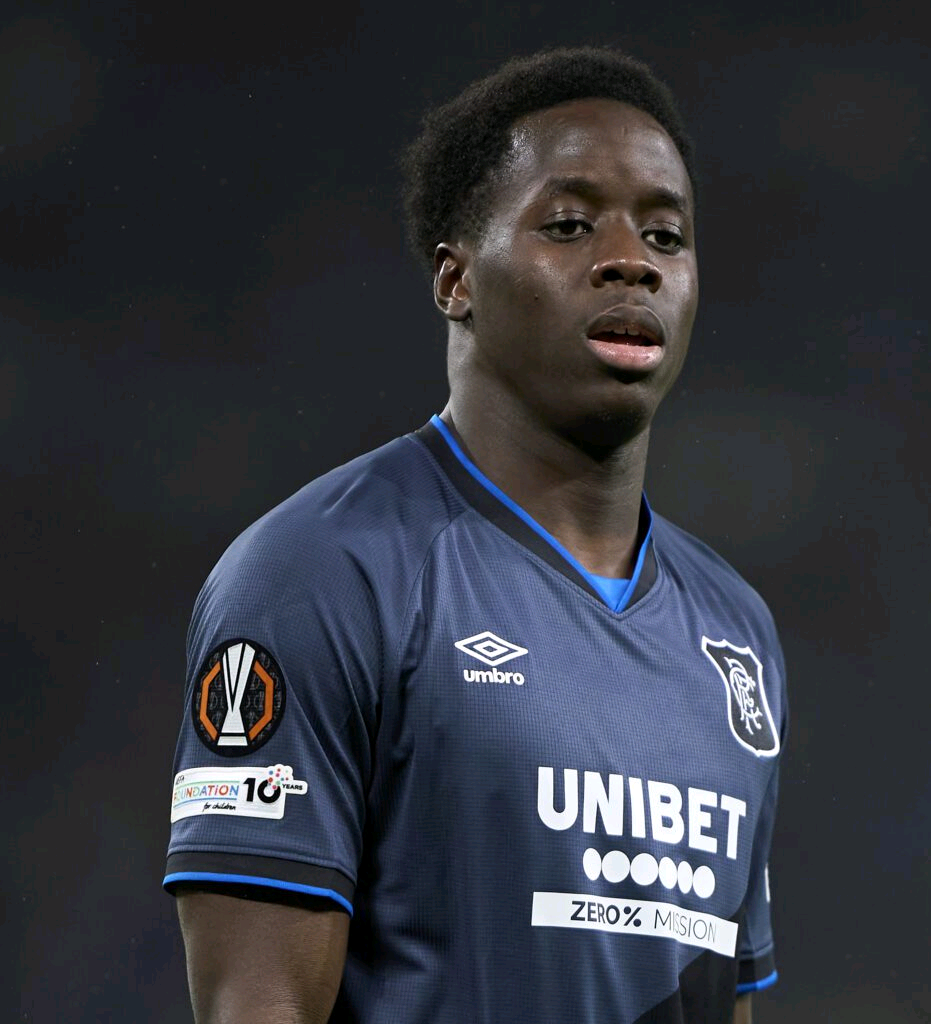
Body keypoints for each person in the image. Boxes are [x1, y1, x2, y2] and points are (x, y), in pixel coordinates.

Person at [163, 47, 786, 1024]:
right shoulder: (321, 574)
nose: (631, 259)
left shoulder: (735, 635)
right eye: (570, 225)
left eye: (665, 234)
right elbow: (260, 1004)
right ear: (456, 279)